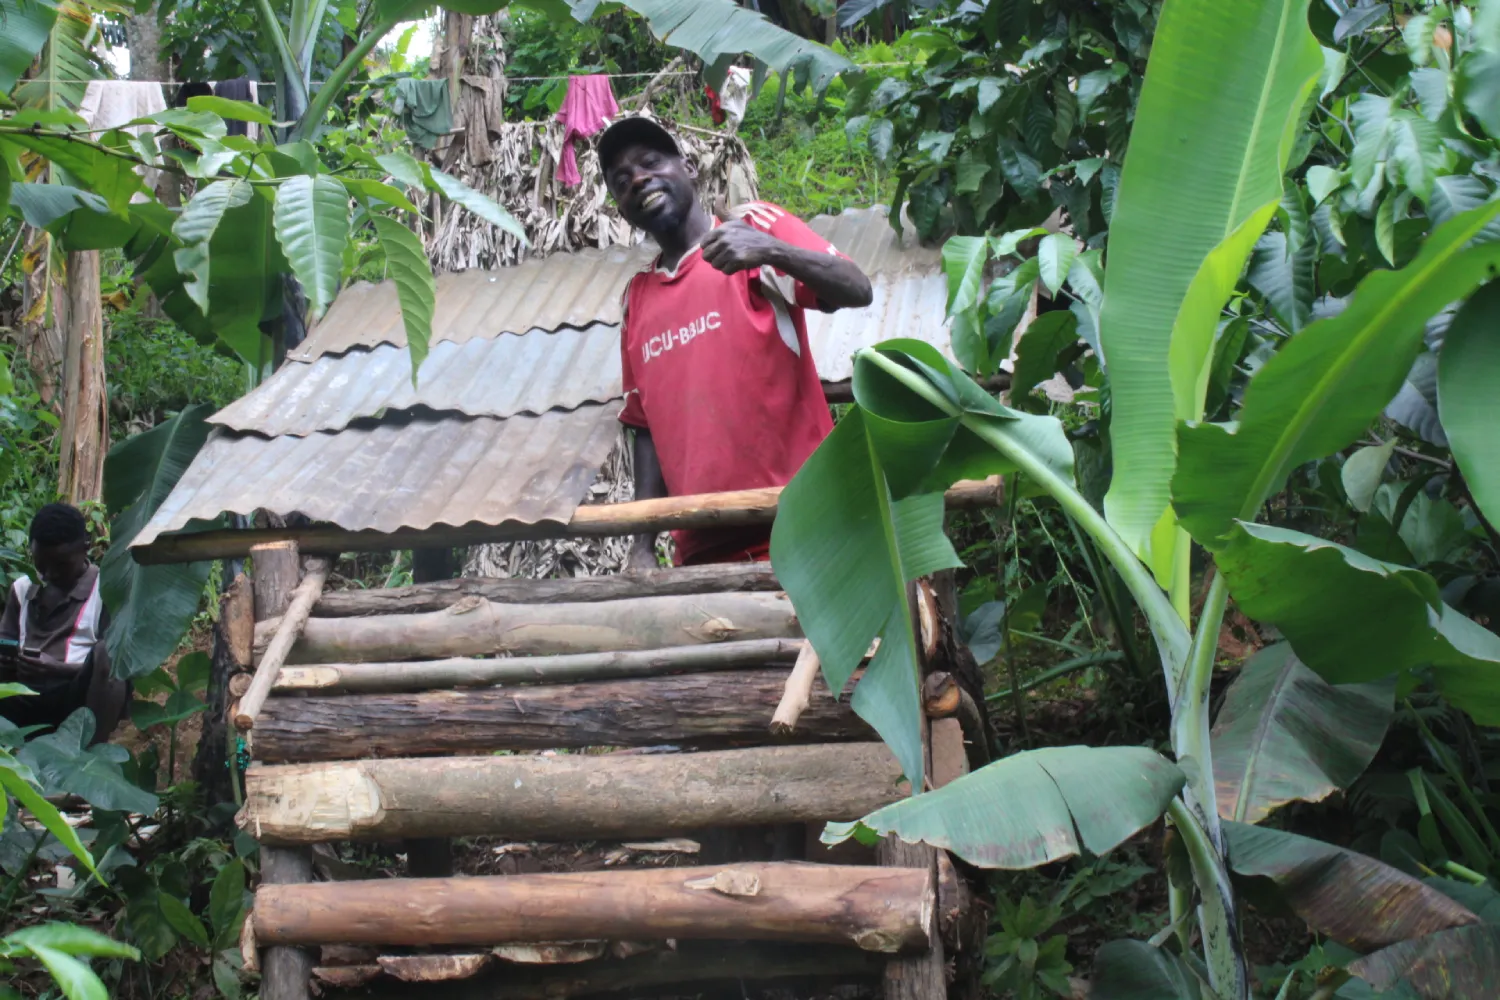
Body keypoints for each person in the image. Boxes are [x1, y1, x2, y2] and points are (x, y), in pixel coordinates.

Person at [598, 116, 874, 571]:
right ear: (621, 209)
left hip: (805, 527)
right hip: (702, 552)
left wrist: (770, 249)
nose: (639, 179)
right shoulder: (638, 299)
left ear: (688, 168)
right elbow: (644, 428)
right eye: (622, 181)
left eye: (650, 162)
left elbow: (857, 288)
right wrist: (642, 545)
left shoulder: (753, 228)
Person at [0, 503, 126, 741]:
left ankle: (90, 749)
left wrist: (56, 669)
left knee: (106, 652)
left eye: (61, 565)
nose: (49, 574)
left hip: (75, 701)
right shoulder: (23, 588)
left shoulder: (106, 591)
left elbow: (113, 667)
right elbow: (6, 640)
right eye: (41, 564)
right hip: (21, 696)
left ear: (86, 546)